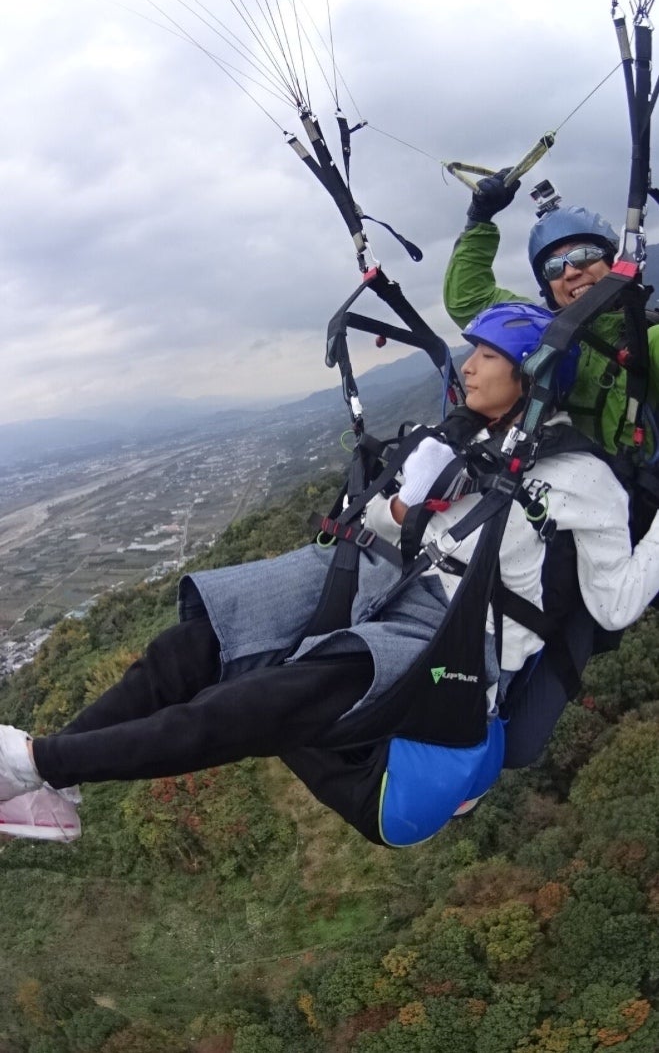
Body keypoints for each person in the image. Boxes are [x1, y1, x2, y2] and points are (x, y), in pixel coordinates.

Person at [1, 304, 658, 847]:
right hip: (383, 576)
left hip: (463, 635)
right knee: (191, 646)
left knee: (266, 700)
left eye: (487, 356)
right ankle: (52, 785)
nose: (469, 366)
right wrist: (406, 502)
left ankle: (40, 761)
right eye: (473, 353)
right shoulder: (453, 440)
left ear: (533, 374)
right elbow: (370, 514)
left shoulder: (581, 478)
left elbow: (614, 604)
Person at [442, 170, 659, 453]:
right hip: (568, 474)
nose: (570, 272)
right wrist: (479, 220)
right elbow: (467, 299)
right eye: (553, 268)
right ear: (549, 288)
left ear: (613, 262)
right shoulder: (543, 334)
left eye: (584, 255)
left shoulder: (648, 340)